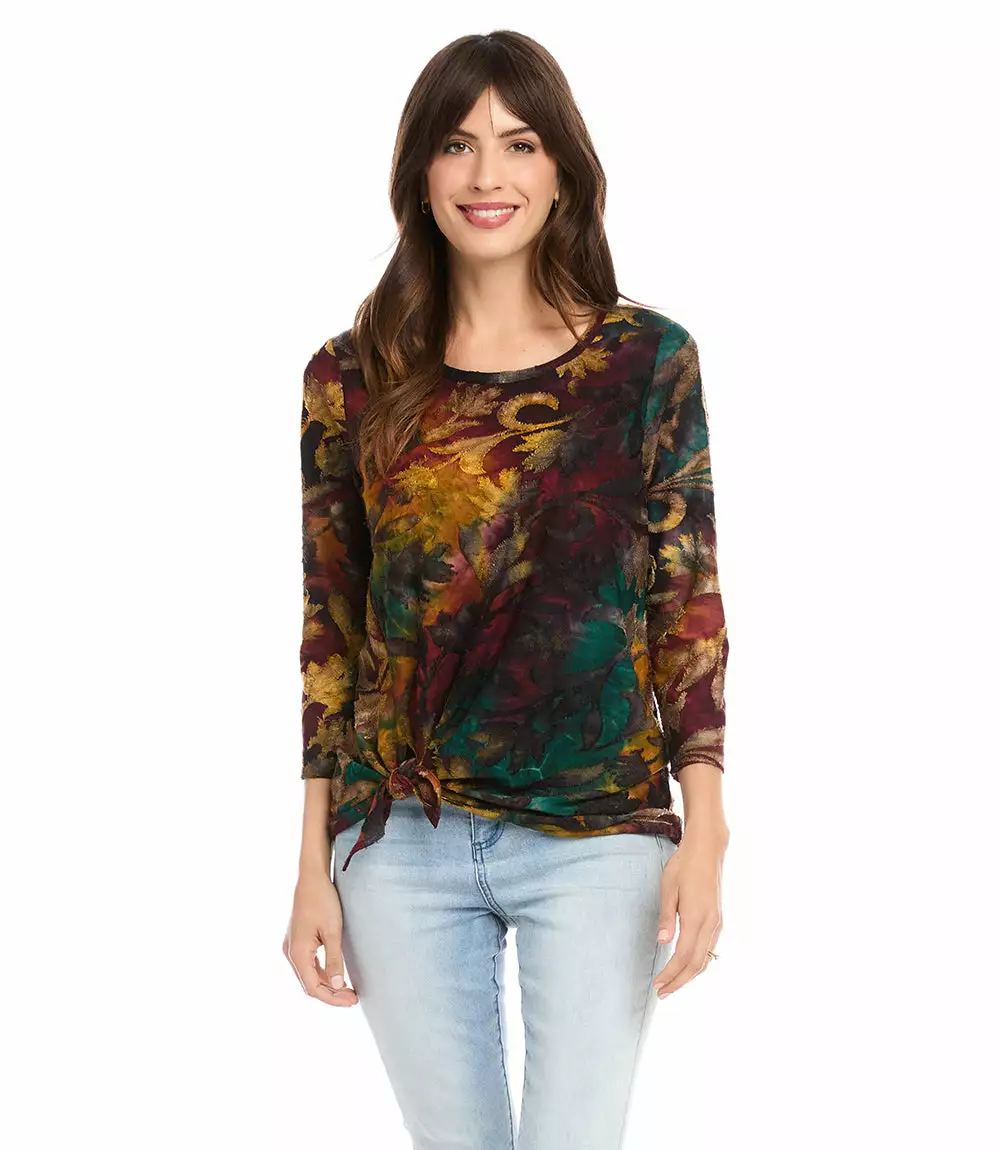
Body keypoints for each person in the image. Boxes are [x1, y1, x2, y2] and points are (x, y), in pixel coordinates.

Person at [284, 29, 730, 1150]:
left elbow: (686, 601)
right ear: (418, 173)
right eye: (457, 143)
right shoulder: (351, 377)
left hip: (598, 831)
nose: (487, 174)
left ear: (562, 168)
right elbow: (331, 630)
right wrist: (310, 868)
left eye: (520, 143)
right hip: (400, 840)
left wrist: (707, 829)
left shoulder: (645, 362)